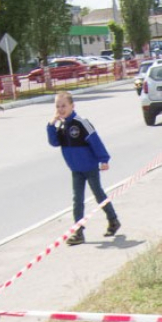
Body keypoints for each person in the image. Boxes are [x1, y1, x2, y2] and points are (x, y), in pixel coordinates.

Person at [46, 91, 121, 246]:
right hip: (75, 169)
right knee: (77, 200)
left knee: (98, 194)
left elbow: (95, 140)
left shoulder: (81, 122)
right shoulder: (61, 126)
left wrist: (103, 159)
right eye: (58, 106)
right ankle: (78, 232)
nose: (60, 109)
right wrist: (51, 125)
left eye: (64, 105)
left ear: (72, 106)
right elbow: (54, 143)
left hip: (90, 166)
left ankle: (113, 220)